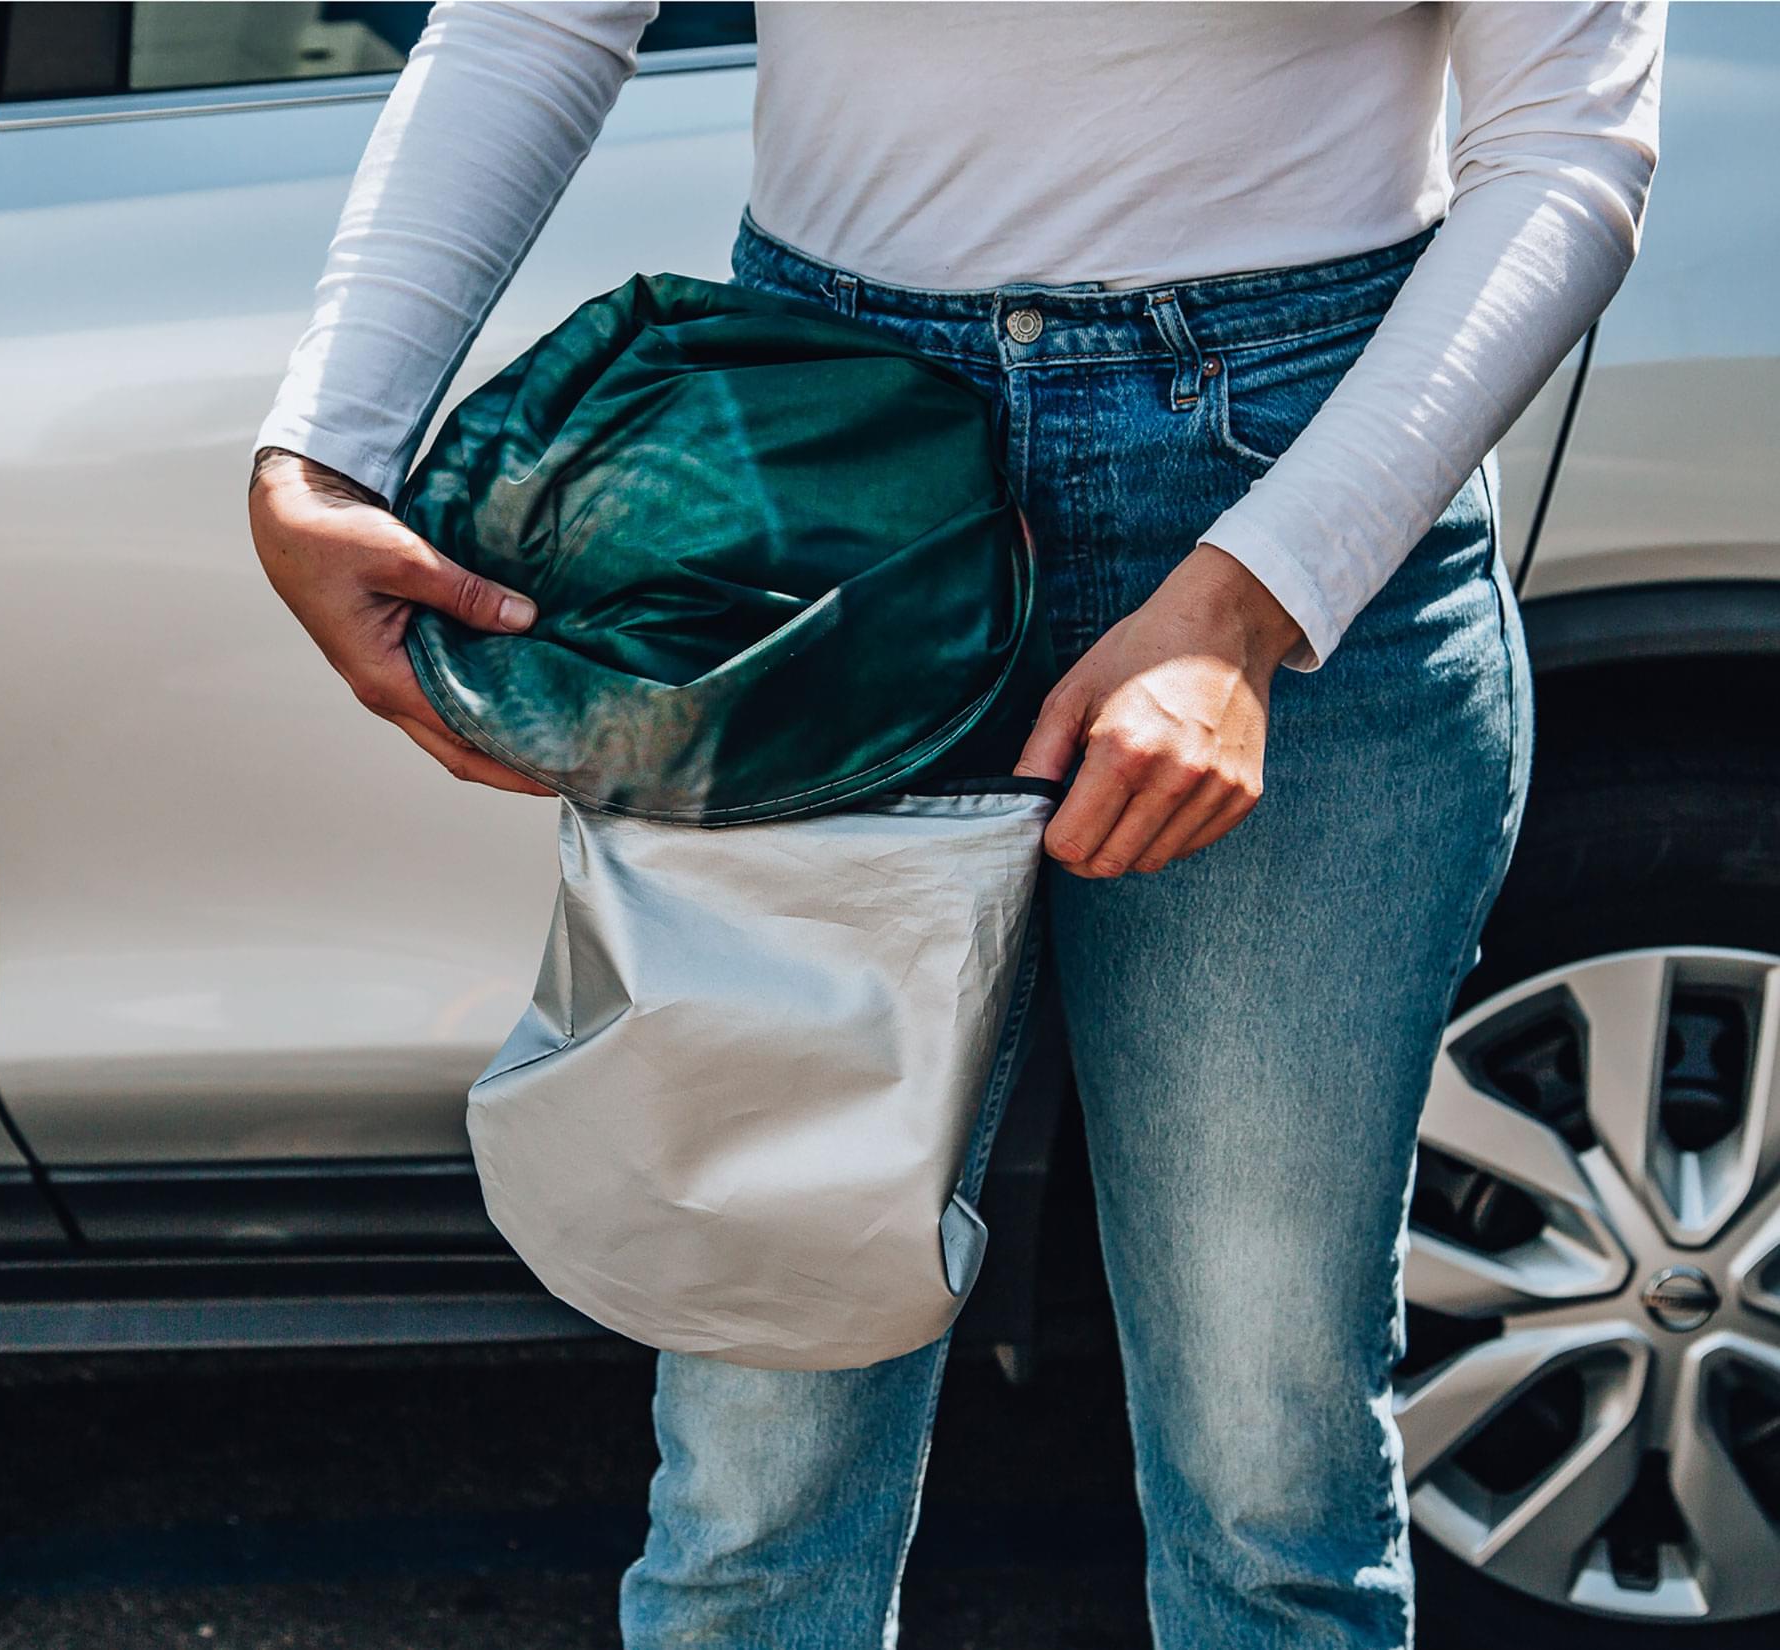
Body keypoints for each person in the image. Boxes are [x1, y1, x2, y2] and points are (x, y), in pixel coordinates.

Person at [247, 4, 1665, 1644]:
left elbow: (1569, 141)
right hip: (829, 488)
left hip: (1292, 446)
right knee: (755, 1493)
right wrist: (327, 444)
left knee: (1269, 1486)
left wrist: (1256, 596)